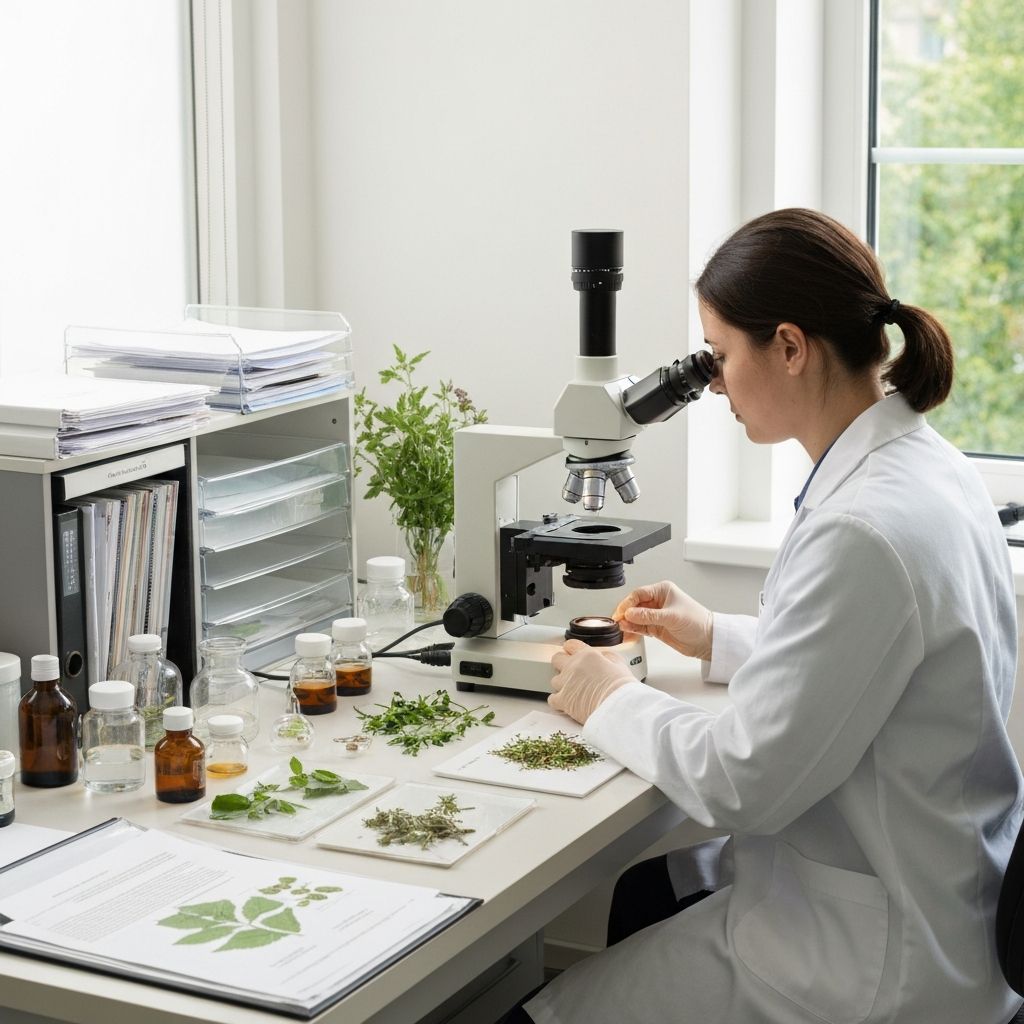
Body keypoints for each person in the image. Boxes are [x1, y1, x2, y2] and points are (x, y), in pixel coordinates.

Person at [520, 208, 1023, 1024]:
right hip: (932, 893)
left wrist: (604, 696)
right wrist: (715, 635)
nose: (711, 384)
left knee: (538, 1013)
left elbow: (740, 783)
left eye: (719, 356)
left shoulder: (862, 529)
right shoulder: (929, 468)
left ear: (789, 347)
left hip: (869, 964)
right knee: (649, 893)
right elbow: (874, 658)